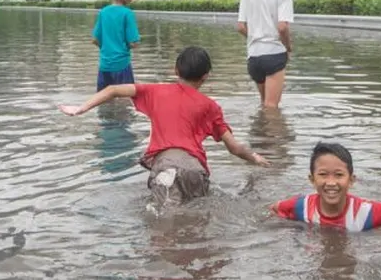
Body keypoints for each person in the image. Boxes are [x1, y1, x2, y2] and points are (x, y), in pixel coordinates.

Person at [58, 46, 270, 206]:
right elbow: (234, 148)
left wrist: (80, 108)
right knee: (197, 217)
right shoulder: (210, 106)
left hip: (165, 166)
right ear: (206, 76)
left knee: (162, 224)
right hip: (195, 169)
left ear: (175, 69)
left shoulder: (155, 92)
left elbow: (112, 89)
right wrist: (254, 157)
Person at [272, 142, 381, 231]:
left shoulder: (367, 212)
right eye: (323, 174)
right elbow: (274, 210)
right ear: (312, 179)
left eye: (339, 175)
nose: (331, 183)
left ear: (351, 180)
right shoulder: (300, 207)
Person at [237, 0, 295, 108]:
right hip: (274, 54)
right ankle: (271, 132)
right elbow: (282, 27)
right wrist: (288, 48)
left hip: (254, 57)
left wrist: (256, 36)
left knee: (264, 104)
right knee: (272, 107)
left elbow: (241, 27)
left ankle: (259, 132)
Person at [91, 0, 142, 90]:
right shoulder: (127, 13)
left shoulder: (103, 12)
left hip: (104, 67)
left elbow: (95, 40)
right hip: (122, 66)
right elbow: (134, 43)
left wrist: (108, 49)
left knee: (105, 101)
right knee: (125, 102)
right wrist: (123, 47)